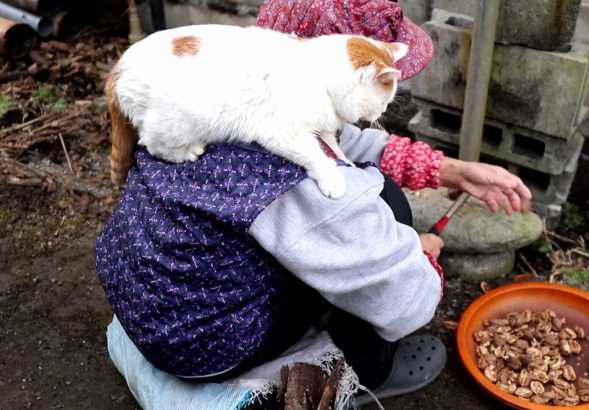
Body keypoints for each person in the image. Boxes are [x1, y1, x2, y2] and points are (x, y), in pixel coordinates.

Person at [95, 0, 532, 404]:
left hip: (147, 293)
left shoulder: (222, 80)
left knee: (374, 206)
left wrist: (449, 170)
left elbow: (338, 135)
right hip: (203, 343)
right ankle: (370, 371)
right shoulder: (300, 179)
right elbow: (406, 303)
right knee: (390, 210)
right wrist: (420, 258)